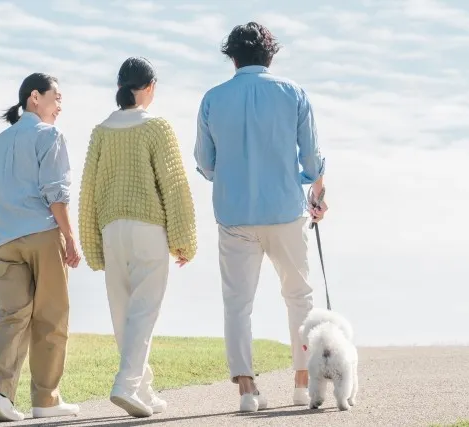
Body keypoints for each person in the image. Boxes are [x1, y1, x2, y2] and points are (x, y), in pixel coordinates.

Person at [194, 22, 328, 412]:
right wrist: (317, 192)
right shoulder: (294, 94)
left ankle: (247, 392)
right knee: (299, 298)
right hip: (285, 212)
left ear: (232, 58)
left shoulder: (212, 99)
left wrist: (232, 174)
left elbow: (205, 162)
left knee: (237, 303)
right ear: (271, 55)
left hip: (234, 216)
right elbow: (312, 158)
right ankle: (303, 385)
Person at [78, 57, 197, 418]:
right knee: (144, 311)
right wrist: (185, 239)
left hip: (111, 229)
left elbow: (88, 191)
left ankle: (142, 389)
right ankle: (127, 384)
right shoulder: (156, 127)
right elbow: (174, 186)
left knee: (123, 313)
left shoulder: (101, 130)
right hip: (148, 228)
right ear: (148, 87)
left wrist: (91, 244)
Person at [0, 73, 81, 422]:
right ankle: (46, 400)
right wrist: (70, 237)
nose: (60, 106)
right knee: (51, 317)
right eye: (57, 98)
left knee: (11, 317)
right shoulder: (49, 135)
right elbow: (56, 192)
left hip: (4, 240)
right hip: (41, 234)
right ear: (34, 98)